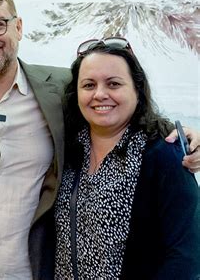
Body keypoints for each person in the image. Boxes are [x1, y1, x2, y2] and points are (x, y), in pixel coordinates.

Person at [0, 0, 200, 279]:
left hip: (34, 271)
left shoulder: (61, 88)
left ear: (19, 27)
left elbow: (120, 109)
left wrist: (183, 135)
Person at [55, 37, 200, 279]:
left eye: (113, 84)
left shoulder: (163, 154)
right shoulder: (68, 149)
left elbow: (187, 256)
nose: (100, 94)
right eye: (89, 85)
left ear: (137, 89)